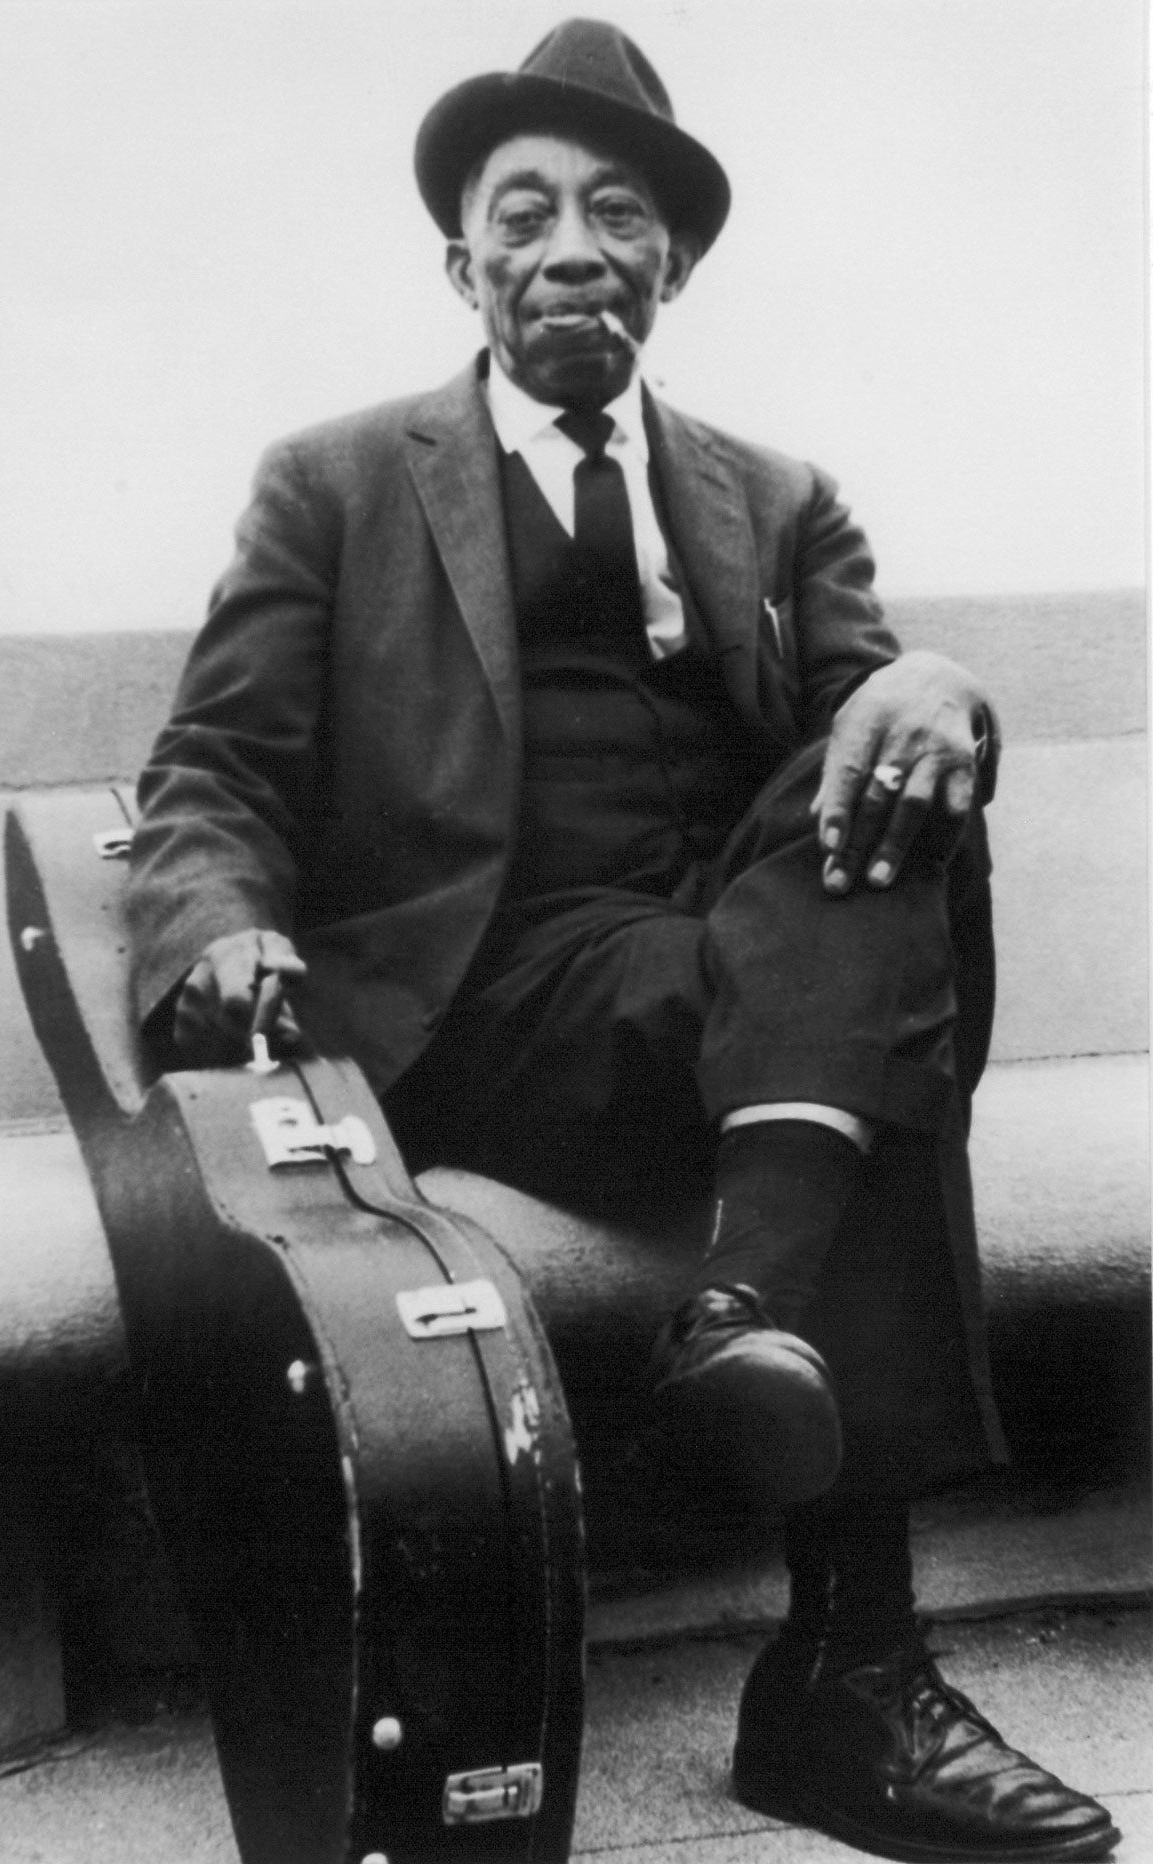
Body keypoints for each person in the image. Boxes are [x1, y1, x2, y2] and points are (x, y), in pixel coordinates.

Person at [125, 20, 1118, 1861]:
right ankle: (849, 1670)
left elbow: (860, 750)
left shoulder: (779, 496)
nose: (574, 248)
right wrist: (219, 925)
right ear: (465, 267)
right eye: (528, 214)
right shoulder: (337, 482)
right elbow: (216, 767)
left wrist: (938, 684)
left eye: (620, 214)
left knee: (900, 793)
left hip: (728, 984)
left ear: (676, 263)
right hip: (491, 1000)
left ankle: (742, 1320)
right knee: (870, 1036)